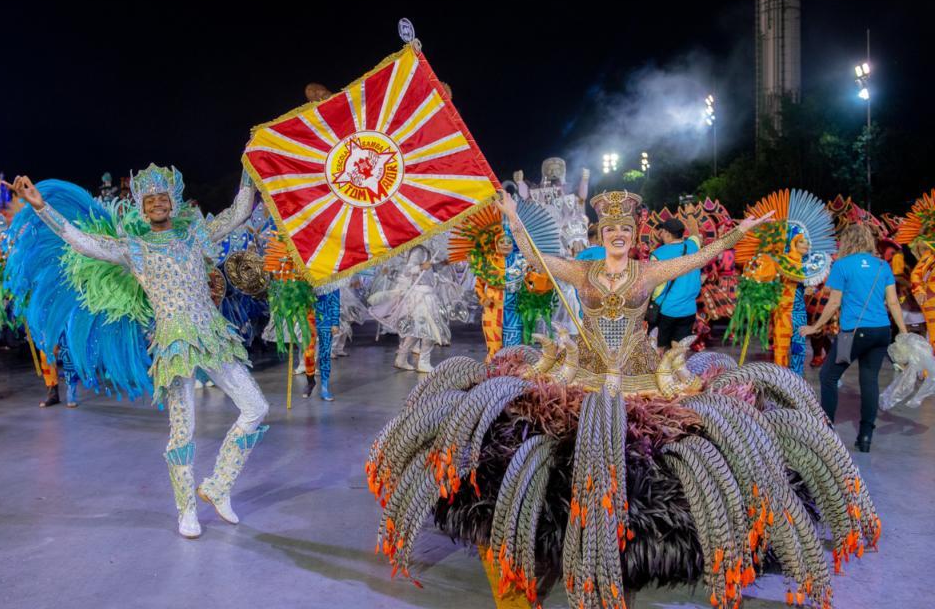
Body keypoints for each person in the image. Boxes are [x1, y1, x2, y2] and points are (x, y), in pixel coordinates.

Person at [368, 190, 881, 609]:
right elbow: (535, 258)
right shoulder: (583, 272)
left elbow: (698, 258)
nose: (618, 236)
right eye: (610, 231)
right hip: (585, 371)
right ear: (600, 236)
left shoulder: (647, 273)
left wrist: (736, 236)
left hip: (640, 375)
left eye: (625, 232)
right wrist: (511, 218)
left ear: (633, 238)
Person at [11, 165, 269, 538]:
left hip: (213, 337)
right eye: (150, 200)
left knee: (256, 407)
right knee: (184, 431)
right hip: (175, 345)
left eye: (163, 198)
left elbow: (239, 211)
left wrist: (248, 169)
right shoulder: (134, 249)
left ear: (173, 202)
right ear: (143, 208)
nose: (158, 204)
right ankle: (186, 510)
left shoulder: (195, 236)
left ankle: (218, 485)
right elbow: (83, 242)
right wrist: (41, 208)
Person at [801, 223, 907, 453]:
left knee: (828, 376)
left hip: (852, 333)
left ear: (847, 242)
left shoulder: (841, 266)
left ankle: (826, 431)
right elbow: (893, 302)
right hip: (881, 331)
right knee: (869, 381)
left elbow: (834, 303)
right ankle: (866, 435)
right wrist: (904, 332)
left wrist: (815, 327)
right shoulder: (882, 266)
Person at [649, 217, 701, 350]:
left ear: (667, 233)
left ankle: (661, 371)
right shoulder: (693, 246)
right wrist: (690, 214)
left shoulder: (658, 254)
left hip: (667, 310)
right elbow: (695, 233)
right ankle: (676, 370)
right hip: (689, 309)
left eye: (662, 232)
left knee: (659, 348)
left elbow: (655, 285)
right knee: (678, 350)